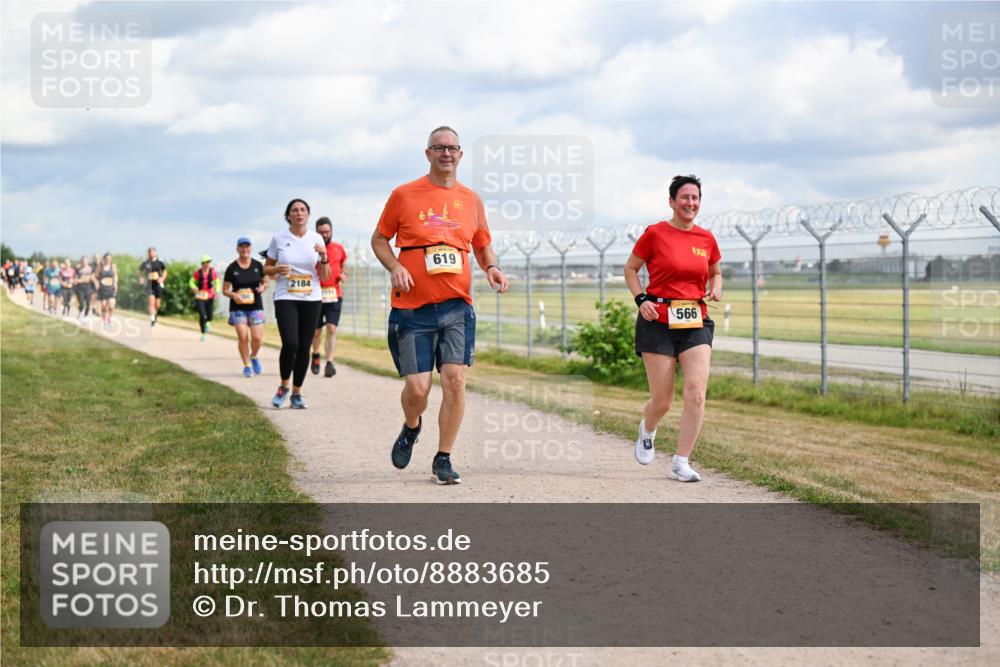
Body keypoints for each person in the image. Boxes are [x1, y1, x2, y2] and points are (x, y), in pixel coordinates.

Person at [371, 126, 509, 485]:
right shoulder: (404, 194)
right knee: (418, 389)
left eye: (453, 148)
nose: (446, 153)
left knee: (455, 380)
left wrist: (491, 267)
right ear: (428, 153)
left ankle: (443, 458)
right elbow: (380, 239)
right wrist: (396, 266)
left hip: (456, 307)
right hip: (412, 310)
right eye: (439, 148)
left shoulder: (472, 200)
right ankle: (411, 426)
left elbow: (482, 244)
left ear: (461, 155)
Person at [624, 174, 722, 482]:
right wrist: (641, 300)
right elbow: (630, 269)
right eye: (684, 197)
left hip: (695, 319)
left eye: (695, 198)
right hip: (658, 320)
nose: (690, 203)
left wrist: (716, 286)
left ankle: (681, 461)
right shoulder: (655, 233)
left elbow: (715, 272)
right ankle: (648, 428)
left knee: (696, 393)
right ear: (671, 201)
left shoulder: (706, 239)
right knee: (663, 400)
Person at [264, 199, 330, 408]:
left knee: (304, 347)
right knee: (291, 343)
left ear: (308, 215)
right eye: (295, 210)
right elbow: (266, 268)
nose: (299, 213)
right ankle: (284, 385)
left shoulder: (316, 238)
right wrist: (276, 270)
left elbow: (326, 275)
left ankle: (297, 393)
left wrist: (324, 257)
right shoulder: (279, 238)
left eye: (303, 210)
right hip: (286, 296)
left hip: (312, 297)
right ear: (288, 215)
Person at [223, 238, 269, 377]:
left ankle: (254, 356)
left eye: (247, 247)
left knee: (257, 338)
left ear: (250, 248)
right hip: (238, 307)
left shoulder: (257, 265)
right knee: (243, 337)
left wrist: (263, 287)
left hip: (255, 306)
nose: (245, 250)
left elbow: (265, 280)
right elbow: (225, 289)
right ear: (237, 249)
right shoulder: (232, 268)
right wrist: (234, 295)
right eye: (242, 247)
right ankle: (247, 365)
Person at [310, 216, 348, 378]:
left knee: (331, 328)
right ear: (317, 232)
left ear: (331, 231)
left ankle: (330, 362)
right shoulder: (311, 249)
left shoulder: (339, 248)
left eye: (327, 232)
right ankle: (316, 354)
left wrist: (344, 275)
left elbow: (345, 268)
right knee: (317, 332)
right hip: (316, 295)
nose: (325, 235)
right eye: (322, 232)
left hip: (334, 294)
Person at [190, 255, 220, 341]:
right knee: (202, 315)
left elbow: (217, 282)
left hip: (210, 296)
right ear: (202, 264)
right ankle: (203, 333)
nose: (208, 264)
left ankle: (208, 322)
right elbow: (191, 282)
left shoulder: (213, 272)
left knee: (210, 315)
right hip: (200, 296)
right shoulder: (197, 273)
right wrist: (194, 287)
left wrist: (217, 291)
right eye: (206, 262)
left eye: (209, 262)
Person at [139, 247, 167, 326]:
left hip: (158, 285)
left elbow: (165, 271)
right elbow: (140, 271)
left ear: (155, 253)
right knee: (151, 301)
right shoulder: (146, 263)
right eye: (149, 252)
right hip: (149, 284)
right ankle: (152, 318)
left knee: (157, 304)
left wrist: (162, 278)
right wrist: (141, 278)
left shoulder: (160, 262)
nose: (150, 254)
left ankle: (155, 314)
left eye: (151, 252)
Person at [95, 253, 118, 329]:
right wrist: (96, 283)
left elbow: (115, 275)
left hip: (111, 289)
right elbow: (95, 276)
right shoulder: (100, 267)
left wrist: (115, 283)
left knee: (111, 305)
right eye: (106, 258)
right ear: (104, 259)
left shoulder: (113, 266)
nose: (108, 260)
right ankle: (105, 322)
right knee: (104, 307)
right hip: (102, 289)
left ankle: (109, 320)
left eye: (109, 258)